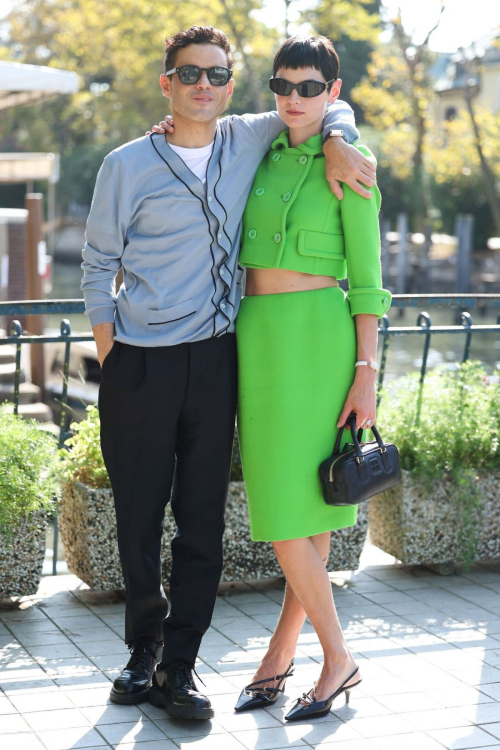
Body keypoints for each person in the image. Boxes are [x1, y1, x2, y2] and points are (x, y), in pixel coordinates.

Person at [82, 25, 374, 720]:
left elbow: (331, 102)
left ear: (231, 87)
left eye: (216, 75)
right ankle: (141, 657)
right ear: (168, 83)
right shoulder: (127, 165)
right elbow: (96, 266)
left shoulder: (253, 136)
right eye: (189, 75)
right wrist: (110, 354)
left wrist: (338, 137)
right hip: (140, 363)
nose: (203, 86)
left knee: (203, 521)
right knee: (138, 517)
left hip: (219, 356)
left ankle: (180, 669)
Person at [233, 35, 392, 721]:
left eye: (308, 87)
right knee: (299, 509)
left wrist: (366, 372)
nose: (292, 98)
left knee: (291, 510)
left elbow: (369, 284)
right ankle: (280, 653)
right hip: (258, 338)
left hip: (320, 343)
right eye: (282, 85)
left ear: (330, 93)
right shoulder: (257, 150)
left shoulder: (349, 162)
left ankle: (337, 656)